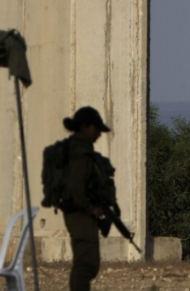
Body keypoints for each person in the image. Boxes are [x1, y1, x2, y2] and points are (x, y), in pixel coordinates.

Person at [62, 106, 113, 291]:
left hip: (78, 211)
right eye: (96, 129)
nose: (99, 134)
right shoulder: (81, 153)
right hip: (79, 212)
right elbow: (76, 187)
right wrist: (90, 208)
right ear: (85, 127)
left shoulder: (79, 149)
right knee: (85, 264)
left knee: (87, 263)